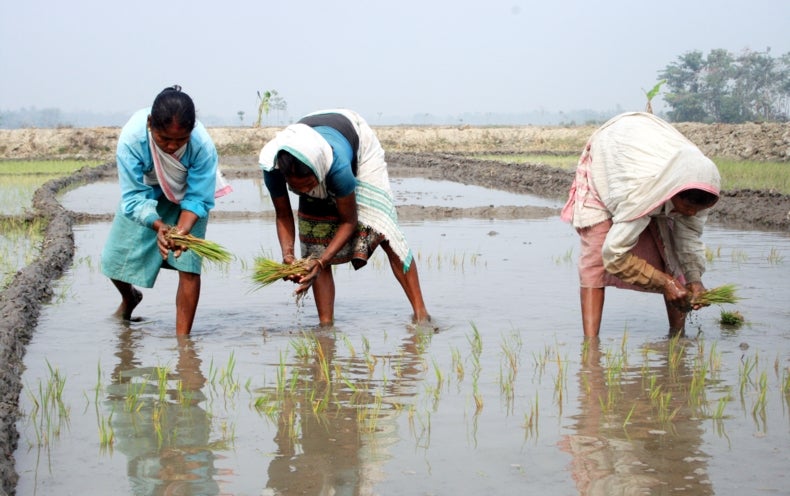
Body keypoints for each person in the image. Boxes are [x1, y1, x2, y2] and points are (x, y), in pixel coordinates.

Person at [258, 108, 430, 326]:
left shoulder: (338, 168)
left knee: (385, 230)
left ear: (318, 173)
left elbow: (349, 221)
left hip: (358, 144)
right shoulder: (274, 168)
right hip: (310, 139)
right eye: (296, 188)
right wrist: (288, 256)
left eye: (310, 185)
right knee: (313, 245)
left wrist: (322, 262)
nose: (304, 192)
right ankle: (325, 327)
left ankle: (421, 314)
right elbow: (283, 214)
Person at [560, 112, 720, 338]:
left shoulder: (699, 182)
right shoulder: (638, 191)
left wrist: (695, 280)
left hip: (647, 150)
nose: (692, 213)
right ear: (673, 192)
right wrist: (665, 282)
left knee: (672, 255)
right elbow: (613, 255)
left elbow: (688, 239)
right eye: (687, 207)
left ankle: (678, 339)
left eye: (698, 210)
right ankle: (591, 347)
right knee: (596, 254)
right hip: (612, 154)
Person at [101, 85, 231, 335]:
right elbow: (133, 196)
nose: (172, 147)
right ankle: (130, 298)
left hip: (187, 196)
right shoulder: (132, 139)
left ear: (191, 131)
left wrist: (180, 231)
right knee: (115, 259)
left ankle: (183, 341)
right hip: (146, 192)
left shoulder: (202, 146)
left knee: (188, 266)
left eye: (180, 140)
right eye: (164, 139)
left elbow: (198, 198)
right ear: (150, 124)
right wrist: (158, 225)